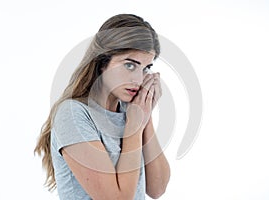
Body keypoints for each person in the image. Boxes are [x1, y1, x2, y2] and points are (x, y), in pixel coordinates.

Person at [34, 14, 170, 200]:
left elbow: (157, 188)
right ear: (102, 62)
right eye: (130, 65)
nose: (139, 80)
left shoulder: (130, 111)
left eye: (146, 68)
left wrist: (145, 115)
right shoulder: (73, 114)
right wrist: (133, 127)